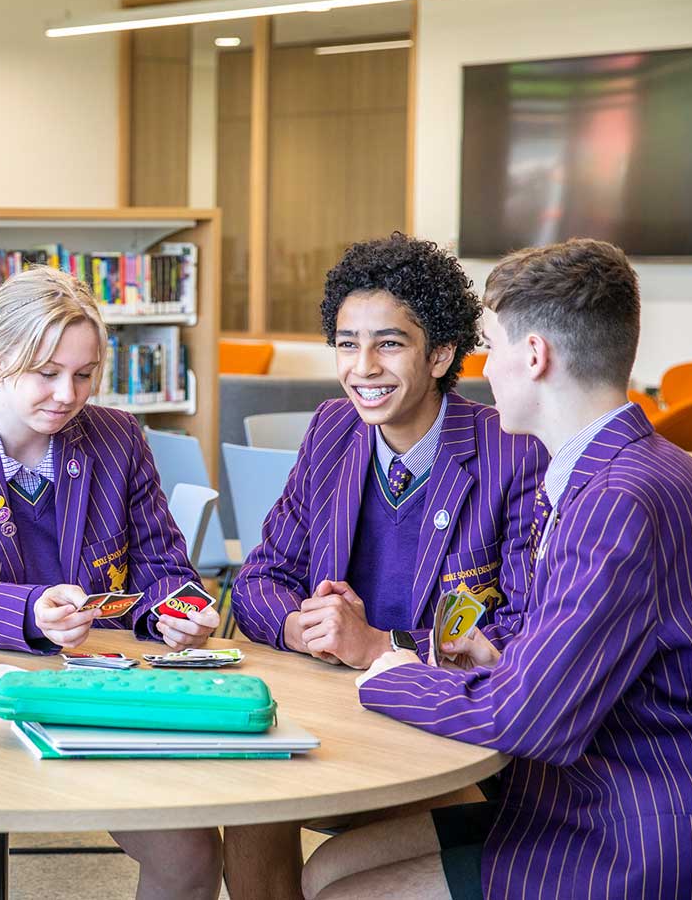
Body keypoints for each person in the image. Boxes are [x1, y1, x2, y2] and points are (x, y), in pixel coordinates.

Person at [307, 239, 692, 900]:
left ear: (535, 355)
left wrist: (389, 673)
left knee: (341, 892)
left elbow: (526, 718)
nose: (483, 369)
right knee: (325, 868)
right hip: (579, 790)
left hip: (624, 828)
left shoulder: (616, 501)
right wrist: (497, 654)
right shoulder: (626, 468)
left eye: (490, 345)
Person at [225, 234, 545, 900]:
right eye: (347, 343)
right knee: (249, 793)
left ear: (441, 353)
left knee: (330, 875)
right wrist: (300, 626)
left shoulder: (511, 454)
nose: (362, 366)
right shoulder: (331, 429)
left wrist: (380, 646)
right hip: (337, 718)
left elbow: (516, 637)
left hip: (451, 738)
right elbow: (257, 579)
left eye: (389, 343)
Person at [0, 266, 222, 900]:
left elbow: (161, 566)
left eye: (84, 373)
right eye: (46, 372)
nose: (68, 394)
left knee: (191, 852)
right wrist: (32, 611)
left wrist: (180, 611)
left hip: (92, 689)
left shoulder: (118, 438)